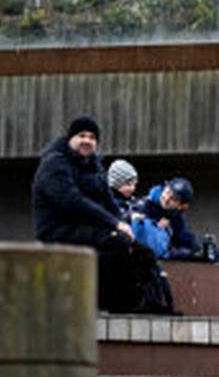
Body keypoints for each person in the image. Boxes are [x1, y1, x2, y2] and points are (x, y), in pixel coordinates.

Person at [30, 115, 171, 314]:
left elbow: (109, 202)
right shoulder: (54, 163)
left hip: (88, 228)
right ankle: (107, 303)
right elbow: (72, 201)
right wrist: (114, 224)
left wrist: (124, 226)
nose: (87, 141)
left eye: (92, 137)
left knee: (139, 250)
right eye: (82, 136)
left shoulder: (94, 166)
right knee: (114, 244)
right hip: (58, 230)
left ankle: (147, 304)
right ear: (70, 138)